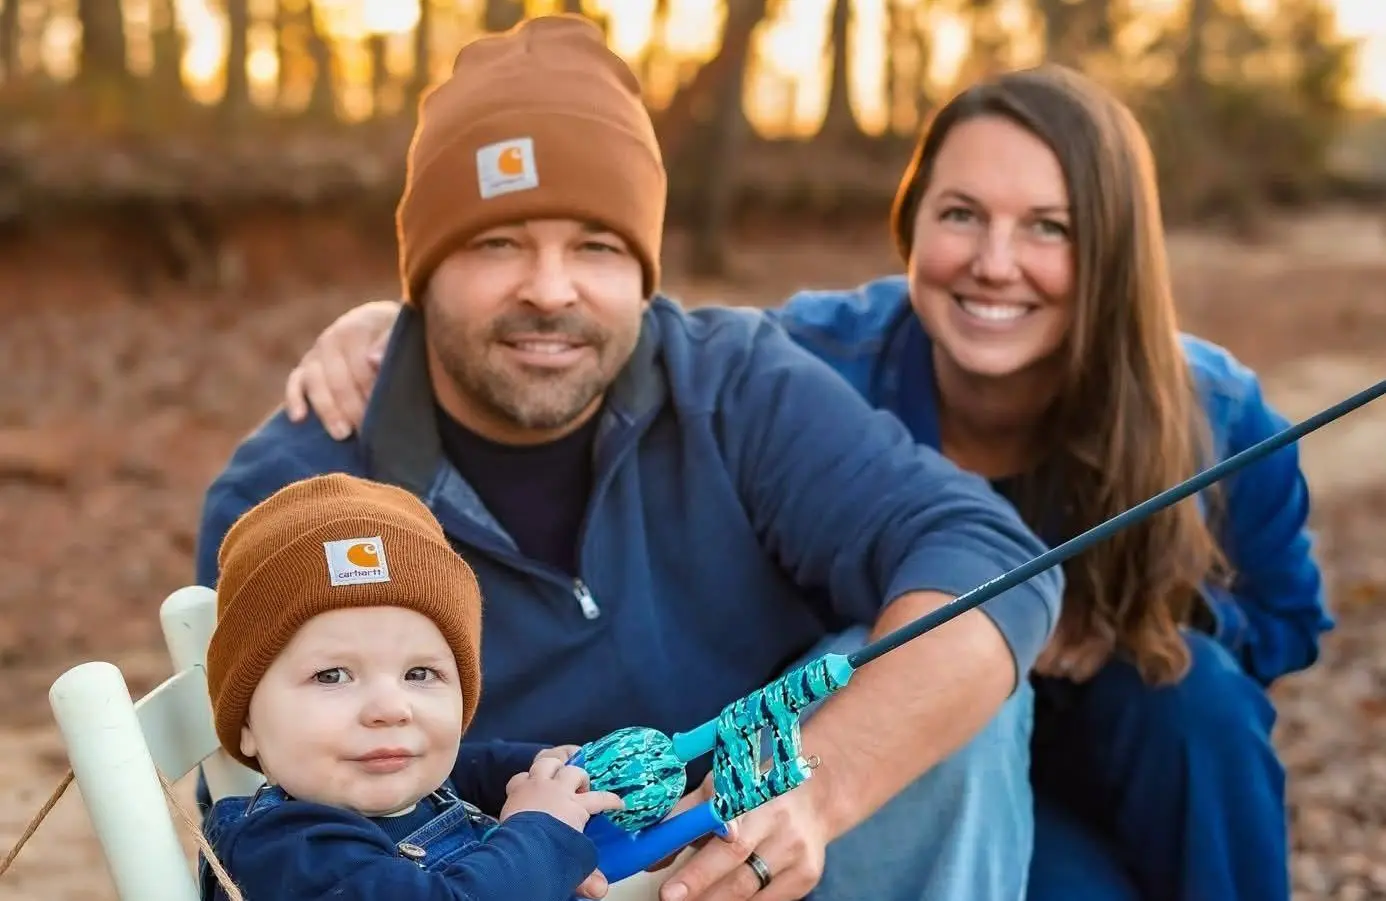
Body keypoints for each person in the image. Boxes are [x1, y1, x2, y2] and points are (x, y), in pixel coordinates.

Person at [283, 63, 1332, 901]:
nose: (994, 261)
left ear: (1113, 251)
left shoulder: (1215, 410)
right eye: (961, 215)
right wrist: (407, 325)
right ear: (911, 222)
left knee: (1195, 691)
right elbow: (624, 338)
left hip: (1115, 732)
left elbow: (1288, 626)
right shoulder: (820, 360)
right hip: (913, 757)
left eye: (1048, 228)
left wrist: (1108, 636)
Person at [196, 15, 1065, 901]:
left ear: (645, 274)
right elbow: (266, 823)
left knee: (947, 668)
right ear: (421, 274)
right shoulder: (293, 501)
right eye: (497, 242)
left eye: (597, 246)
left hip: (778, 870)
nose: (550, 289)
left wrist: (820, 788)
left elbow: (990, 559)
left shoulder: (733, 382)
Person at [198, 472, 625, 901]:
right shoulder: (289, 854)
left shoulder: (419, 783)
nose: (390, 708)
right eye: (331, 675)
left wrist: (549, 770)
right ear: (247, 723)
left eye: (419, 674)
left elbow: (476, 768)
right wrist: (543, 835)